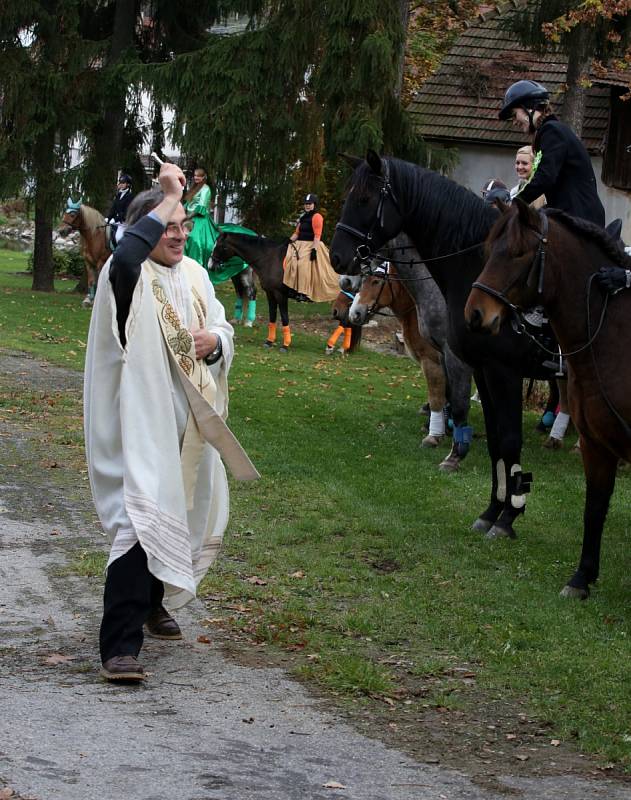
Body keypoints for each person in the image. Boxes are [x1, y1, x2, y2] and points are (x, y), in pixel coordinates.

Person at [84, 162, 258, 683]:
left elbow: (223, 324)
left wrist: (216, 343)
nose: (179, 233)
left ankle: (154, 601)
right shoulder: (128, 275)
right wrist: (167, 196)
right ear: (146, 227)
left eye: (184, 224)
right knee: (138, 521)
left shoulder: (196, 275)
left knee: (181, 514)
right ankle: (119, 646)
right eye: (168, 224)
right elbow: (127, 254)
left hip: (190, 427)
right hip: (141, 423)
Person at [499, 79, 605, 226]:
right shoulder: (548, 133)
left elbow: (545, 177)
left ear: (529, 108)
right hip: (569, 214)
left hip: (580, 218)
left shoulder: (552, 131)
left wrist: (515, 203)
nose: (514, 121)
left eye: (514, 114)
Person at [184, 167, 257, 326]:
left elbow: (200, 209)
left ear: (204, 177)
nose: (196, 178)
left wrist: (186, 216)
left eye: (199, 176)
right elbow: (187, 204)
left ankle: (250, 316)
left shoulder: (206, 189)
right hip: (189, 219)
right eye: (195, 176)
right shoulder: (192, 190)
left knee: (195, 241)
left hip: (200, 221)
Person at [283, 193, 341, 305]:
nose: (307, 206)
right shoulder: (303, 217)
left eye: (309, 204)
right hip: (299, 244)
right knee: (290, 261)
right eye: (306, 204)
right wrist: (289, 241)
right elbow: (297, 233)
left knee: (302, 265)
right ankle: (292, 288)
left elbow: (317, 235)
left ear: (314, 205)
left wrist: (314, 250)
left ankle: (304, 293)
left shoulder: (317, 217)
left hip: (311, 244)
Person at [106, 173, 135, 244]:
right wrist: (108, 218)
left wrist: (116, 219)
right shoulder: (119, 194)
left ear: (128, 184)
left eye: (123, 183)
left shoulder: (130, 196)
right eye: (120, 183)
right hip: (117, 221)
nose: (121, 184)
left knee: (118, 237)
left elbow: (126, 212)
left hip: (124, 222)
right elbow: (113, 208)